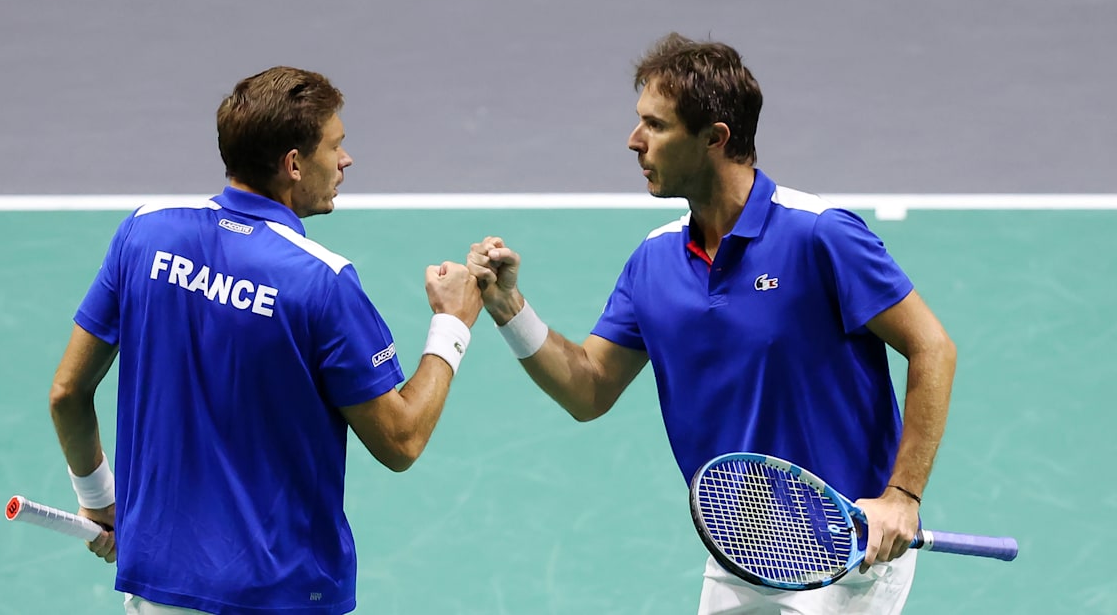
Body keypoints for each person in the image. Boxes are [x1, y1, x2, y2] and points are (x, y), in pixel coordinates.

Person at [466, 33, 956, 614]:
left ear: (714, 139)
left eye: (656, 126)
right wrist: (507, 309)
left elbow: (933, 346)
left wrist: (901, 497)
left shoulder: (819, 235)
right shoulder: (653, 261)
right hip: (745, 549)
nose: (633, 141)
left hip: (848, 551)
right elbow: (589, 387)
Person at [48, 66, 482, 614]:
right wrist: (453, 324)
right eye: (336, 145)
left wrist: (100, 503)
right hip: (278, 595)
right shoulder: (321, 281)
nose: (346, 160)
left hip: (157, 587)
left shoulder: (144, 231)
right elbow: (400, 441)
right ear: (294, 164)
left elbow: (67, 393)